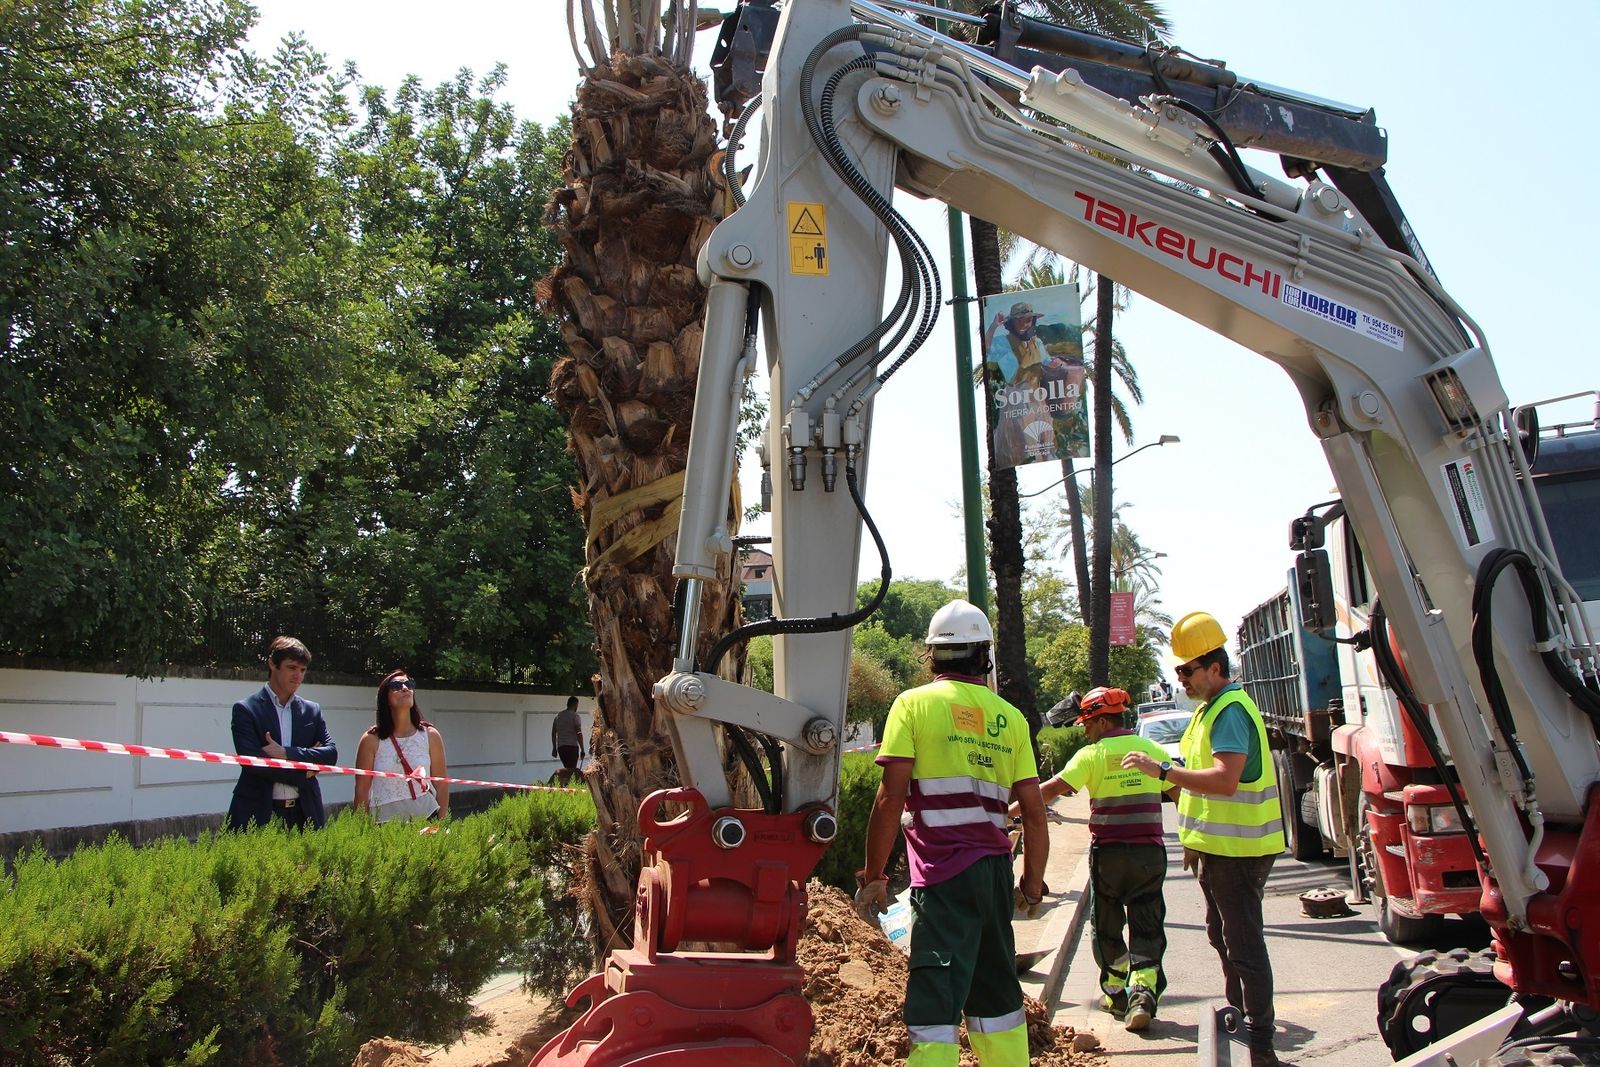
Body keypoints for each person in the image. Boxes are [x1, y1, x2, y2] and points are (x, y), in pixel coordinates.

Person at [856, 599, 1048, 1067]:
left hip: (943, 877)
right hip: (995, 875)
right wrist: (1031, 885)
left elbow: (890, 798)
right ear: (985, 656)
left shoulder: (913, 705)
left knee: (935, 999)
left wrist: (874, 875)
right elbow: (1035, 813)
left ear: (933, 656)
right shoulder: (1011, 718)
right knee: (997, 994)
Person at [1121, 612, 1286, 1067]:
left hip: (1237, 851)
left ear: (1215, 667)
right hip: (1217, 849)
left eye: (1187, 670)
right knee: (1224, 937)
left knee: (1243, 946)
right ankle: (1242, 1024)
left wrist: (1164, 772)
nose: (1182, 678)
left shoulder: (1229, 711)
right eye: (1178, 671)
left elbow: (1224, 780)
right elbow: (1199, 781)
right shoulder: (1208, 711)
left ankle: (1261, 1045)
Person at [1018, 687, 1169, 1032]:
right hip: (1149, 855)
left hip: (1109, 856)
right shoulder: (1151, 750)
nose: (1085, 731)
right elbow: (1178, 791)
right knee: (1147, 923)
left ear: (1102, 721)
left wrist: (1008, 811)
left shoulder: (1091, 755)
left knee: (1106, 925)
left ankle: (1116, 994)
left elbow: (1049, 790)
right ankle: (1143, 995)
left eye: (1087, 724)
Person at [226, 636, 338, 830]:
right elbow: (255, 764)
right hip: (258, 812)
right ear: (272, 664)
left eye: (302, 670)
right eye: (292, 668)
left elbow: (330, 754)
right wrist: (305, 772)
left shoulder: (312, 710)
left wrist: (286, 753)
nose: (298, 676)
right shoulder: (246, 709)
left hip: (305, 812)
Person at [353, 669, 448, 823]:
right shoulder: (370, 740)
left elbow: (441, 785)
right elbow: (362, 790)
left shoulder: (430, 735)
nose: (405, 688)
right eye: (396, 686)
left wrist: (441, 824)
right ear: (385, 698)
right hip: (384, 824)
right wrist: (362, 830)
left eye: (409, 684)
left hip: (426, 818)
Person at [551, 696, 586, 786]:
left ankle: (567, 785)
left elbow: (553, 733)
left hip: (561, 747)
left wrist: (554, 748)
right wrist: (582, 749)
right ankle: (571, 787)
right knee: (572, 770)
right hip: (572, 747)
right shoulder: (575, 716)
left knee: (567, 769)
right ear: (575, 704)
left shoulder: (558, 716)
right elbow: (578, 733)